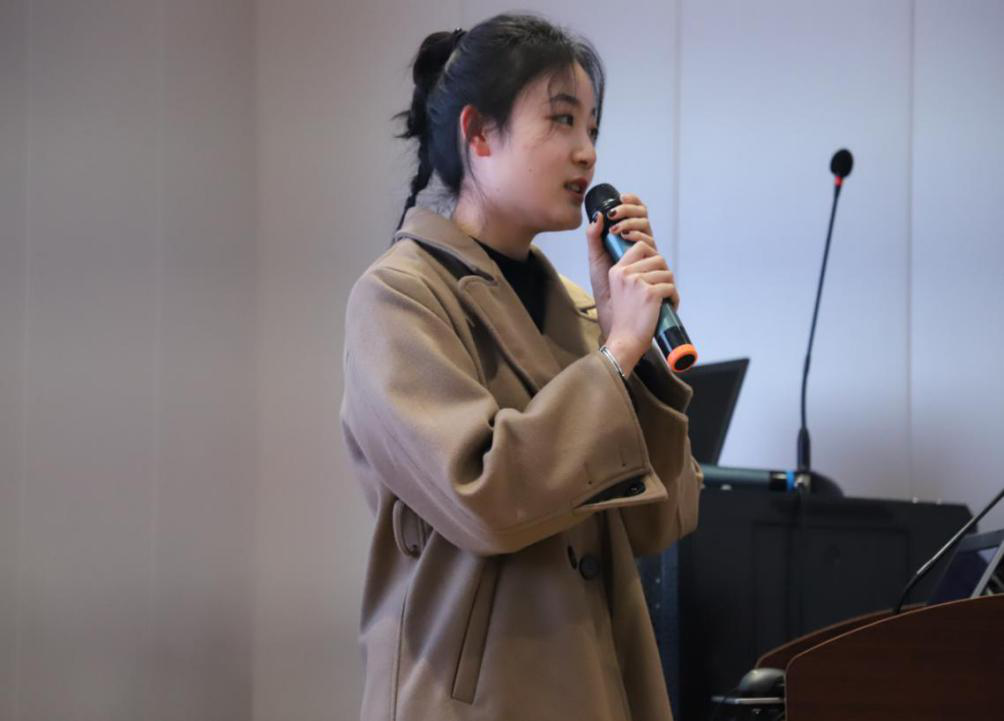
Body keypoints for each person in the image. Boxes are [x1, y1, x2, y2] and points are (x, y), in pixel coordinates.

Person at [340, 12, 702, 721]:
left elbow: (661, 522)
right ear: (478, 134)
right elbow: (484, 494)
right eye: (561, 120)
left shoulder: (580, 308)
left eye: (592, 127)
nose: (586, 152)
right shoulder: (398, 296)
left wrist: (633, 349)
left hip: (599, 687)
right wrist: (616, 357)